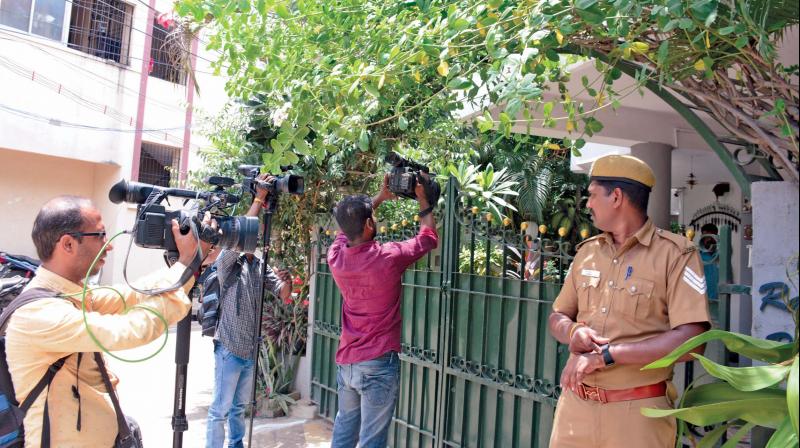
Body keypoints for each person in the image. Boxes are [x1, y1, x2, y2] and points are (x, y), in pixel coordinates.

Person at [3, 195, 211, 447]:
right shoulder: (39, 314)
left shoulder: (70, 294)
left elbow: (134, 293)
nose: (108, 245)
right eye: (100, 235)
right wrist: (188, 262)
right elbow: (131, 330)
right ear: (68, 244)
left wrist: (186, 264)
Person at [547, 155, 711, 447]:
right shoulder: (587, 252)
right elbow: (557, 316)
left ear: (617, 197)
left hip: (638, 416)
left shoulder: (676, 255)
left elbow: (693, 341)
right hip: (574, 410)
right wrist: (573, 332)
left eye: (592, 195)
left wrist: (608, 355)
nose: (587, 204)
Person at [328, 174, 439, 448]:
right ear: (369, 223)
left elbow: (348, 230)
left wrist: (377, 200)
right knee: (371, 441)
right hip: (377, 364)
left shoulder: (336, 257)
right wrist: (423, 199)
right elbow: (428, 237)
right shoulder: (388, 257)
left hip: (347, 362)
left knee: (343, 433)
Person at [205, 174, 292, 448]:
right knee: (220, 409)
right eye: (250, 234)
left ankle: (237, 445)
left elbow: (283, 294)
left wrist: (287, 281)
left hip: (249, 351)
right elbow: (239, 234)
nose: (254, 238)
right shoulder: (230, 260)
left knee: (239, 408)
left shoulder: (260, 264)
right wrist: (258, 199)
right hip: (229, 347)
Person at [699, 223, 720, 301]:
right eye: (705, 237)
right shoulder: (697, 256)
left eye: (711, 236)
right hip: (701, 301)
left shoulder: (722, 255)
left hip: (719, 300)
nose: (708, 239)